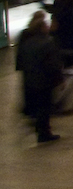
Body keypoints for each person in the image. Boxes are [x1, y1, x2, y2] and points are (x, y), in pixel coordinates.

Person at [16, 11, 63, 144]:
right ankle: (44, 133)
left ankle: (39, 128)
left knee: (39, 106)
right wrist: (59, 78)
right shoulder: (48, 42)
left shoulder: (27, 42)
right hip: (45, 80)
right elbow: (53, 63)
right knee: (45, 107)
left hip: (31, 79)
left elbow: (22, 60)